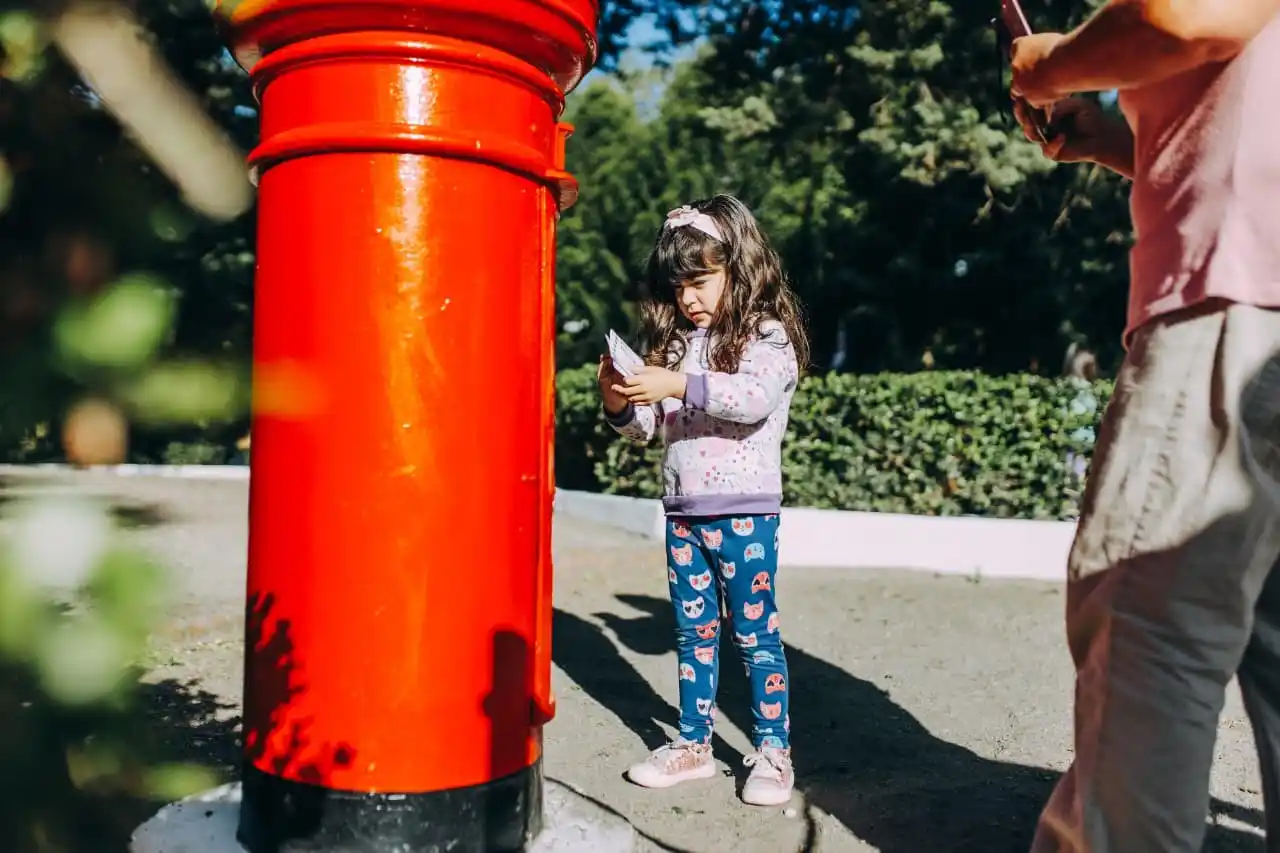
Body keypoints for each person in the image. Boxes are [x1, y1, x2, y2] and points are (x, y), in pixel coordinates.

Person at [1010, 3, 1280, 850]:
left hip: (1231, 308)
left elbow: (1187, 12)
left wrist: (1049, 63)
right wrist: (1113, 143)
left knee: (1146, 641)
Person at [596, 194, 810, 807]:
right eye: (678, 286)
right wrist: (619, 400)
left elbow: (751, 399)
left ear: (738, 269)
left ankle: (773, 748)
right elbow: (649, 427)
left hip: (745, 512)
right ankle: (694, 744)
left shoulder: (767, 337)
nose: (688, 297)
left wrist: (678, 382)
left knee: (755, 635)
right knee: (694, 633)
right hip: (683, 515)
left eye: (701, 280)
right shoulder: (680, 346)